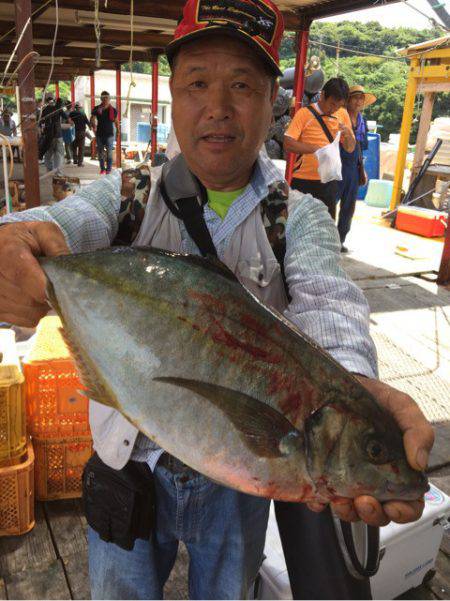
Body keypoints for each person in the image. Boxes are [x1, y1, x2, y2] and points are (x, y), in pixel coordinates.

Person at [0, 1, 433, 599]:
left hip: (236, 486)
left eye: (242, 86)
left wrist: (355, 383)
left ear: (270, 101)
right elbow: (64, 221)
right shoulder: (127, 197)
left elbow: (330, 305)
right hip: (126, 468)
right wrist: (16, 239)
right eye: (197, 83)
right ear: (174, 98)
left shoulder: (297, 218)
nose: (218, 107)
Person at [283, 77, 356, 219]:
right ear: (322, 95)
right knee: (296, 224)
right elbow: (288, 142)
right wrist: (316, 149)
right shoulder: (304, 114)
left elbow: (350, 149)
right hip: (302, 180)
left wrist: (348, 135)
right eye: (332, 104)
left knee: (326, 228)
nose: (334, 109)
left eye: (338, 106)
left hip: (329, 181)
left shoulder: (342, 114)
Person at [336, 85, 375, 253]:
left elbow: (360, 147)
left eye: (361, 98)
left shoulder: (362, 122)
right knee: (329, 204)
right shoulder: (339, 117)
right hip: (337, 164)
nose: (359, 101)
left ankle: (340, 240)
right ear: (348, 100)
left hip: (353, 168)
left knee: (349, 207)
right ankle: (322, 239)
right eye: (355, 97)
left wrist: (362, 169)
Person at [39, 94, 70, 174]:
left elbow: (41, 122)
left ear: (47, 101)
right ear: (54, 101)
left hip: (49, 135)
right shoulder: (58, 109)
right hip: (58, 134)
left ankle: (49, 170)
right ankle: (57, 171)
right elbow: (66, 117)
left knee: (49, 153)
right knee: (58, 154)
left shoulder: (45, 110)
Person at [90, 90, 119, 175]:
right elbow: (92, 118)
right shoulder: (96, 109)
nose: (105, 99)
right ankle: (102, 168)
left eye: (107, 98)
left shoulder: (113, 110)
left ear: (109, 99)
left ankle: (108, 169)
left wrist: (118, 131)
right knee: (100, 152)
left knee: (109, 153)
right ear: (101, 99)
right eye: (104, 98)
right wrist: (93, 126)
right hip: (99, 134)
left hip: (110, 134)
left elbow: (116, 121)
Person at [69, 101, 91, 167]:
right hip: (82, 132)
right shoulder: (83, 113)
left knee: (73, 145)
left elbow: (68, 119)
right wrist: (91, 128)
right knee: (81, 148)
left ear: (75, 107)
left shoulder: (72, 113)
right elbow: (88, 122)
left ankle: (75, 159)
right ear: (80, 107)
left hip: (76, 132)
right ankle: (80, 163)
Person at [61, 100, 75, 165]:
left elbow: (62, 121)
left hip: (66, 128)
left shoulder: (65, 112)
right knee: (71, 144)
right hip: (72, 128)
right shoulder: (74, 112)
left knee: (67, 144)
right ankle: (71, 157)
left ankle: (69, 158)